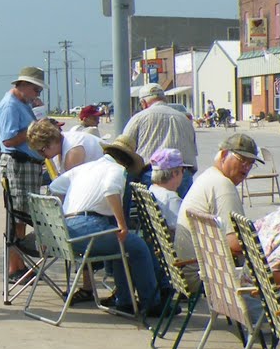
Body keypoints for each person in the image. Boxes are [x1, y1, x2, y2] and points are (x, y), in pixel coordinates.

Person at [47, 132, 162, 317]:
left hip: (66, 229)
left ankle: (124, 301)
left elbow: (56, 187)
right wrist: (122, 224)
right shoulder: (116, 170)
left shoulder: (86, 168)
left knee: (120, 246)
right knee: (138, 246)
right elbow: (110, 190)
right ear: (126, 163)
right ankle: (152, 303)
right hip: (87, 229)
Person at [173, 132, 261, 264]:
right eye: (242, 160)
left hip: (191, 269)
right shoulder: (223, 184)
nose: (246, 167)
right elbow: (236, 243)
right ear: (224, 155)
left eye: (251, 163)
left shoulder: (208, 176)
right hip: (205, 276)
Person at [0, 66, 48, 274]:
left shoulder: (22, 103)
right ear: (24, 85)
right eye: (36, 90)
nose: (38, 95)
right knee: (18, 216)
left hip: (27, 165)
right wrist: (34, 130)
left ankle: (19, 264)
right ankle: (14, 267)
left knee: (23, 216)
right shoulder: (10, 106)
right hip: (18, 165)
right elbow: (8, 139)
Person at [122, 83, 199, 196]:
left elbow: (124, 148)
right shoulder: (184, 119)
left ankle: (123, 214)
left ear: (143, 103)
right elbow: (193, 150)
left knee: (154, 211)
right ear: (164, 98)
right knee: (181, 211)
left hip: (153, 173)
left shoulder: (139, 118)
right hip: (183, 174)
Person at [26, 115, 101, 176]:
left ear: (51, 141)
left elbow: (73, 186)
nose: (41, 155)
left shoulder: (73, 150)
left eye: (42, 150)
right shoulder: (60, 149)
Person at [146, 146, 186, 232]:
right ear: (175, 173)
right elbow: (182, 230)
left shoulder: (152, 189)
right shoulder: (171, 199)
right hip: (175, 244)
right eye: (183, 170)